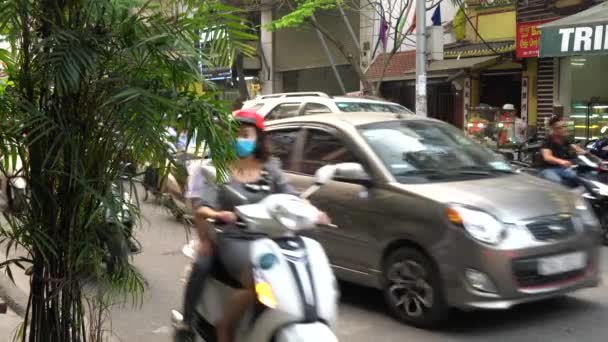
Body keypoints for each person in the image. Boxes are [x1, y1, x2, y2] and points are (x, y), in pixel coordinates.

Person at [175, 109, 330, 342]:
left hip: (272, 238)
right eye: (235, 134)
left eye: (246, 134)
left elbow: (290, 196)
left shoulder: (270, 168)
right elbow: (202, 208)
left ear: (258, 137)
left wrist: (312, 211)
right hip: (235, 238)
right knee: (258, 281)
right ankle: (224, 327)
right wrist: (219, 214)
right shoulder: (218, 169)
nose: (241, 139)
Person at [540, 116, 584, 187]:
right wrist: (561, 161)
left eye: (564, 127)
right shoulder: (548, 140)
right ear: (553, 129)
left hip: (561, 168)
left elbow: (575, 148)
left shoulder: (564, 139)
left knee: (578, 179)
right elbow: (547, 157)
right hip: (548, 169)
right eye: (559, 128)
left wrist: (589, 154)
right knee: (557, 183)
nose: (563, 129)